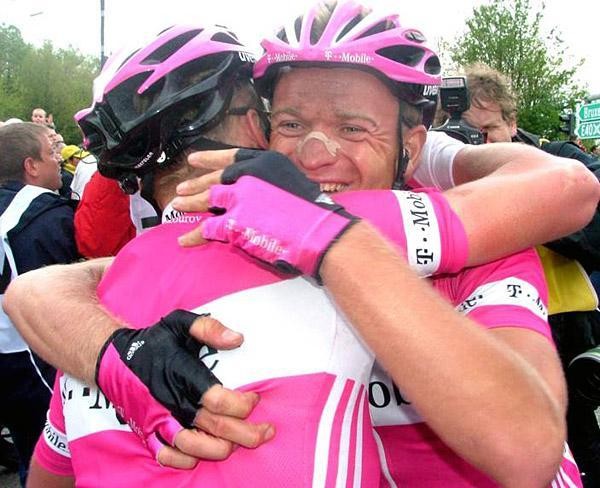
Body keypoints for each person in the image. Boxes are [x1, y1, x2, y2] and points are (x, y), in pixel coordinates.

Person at [6, 4, 599, 486]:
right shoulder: (244, 238)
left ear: (412, 145)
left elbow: (529, 448)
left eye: (352, 127)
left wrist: (434, 164)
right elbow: (57, 289)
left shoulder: (477, 238)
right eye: (290, 124)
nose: (315, 153)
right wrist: (106, 347)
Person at [435, 61, 600, 487]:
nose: (479, 144)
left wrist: (520, 207)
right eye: (466, 135)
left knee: (578, 446)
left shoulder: (556, 159)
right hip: (479, 333)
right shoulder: (439, 170)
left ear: (512, 123)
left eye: (488, 131)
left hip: (567, 331)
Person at [0, 122, 79, 486]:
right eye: (50, 154)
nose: (58, 161)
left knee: (25, 449)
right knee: (52, 455)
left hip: (8, 354)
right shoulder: (46, 216)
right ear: (30, 166)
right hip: (32, 360)